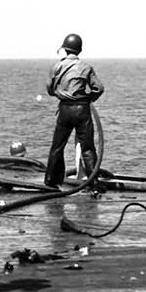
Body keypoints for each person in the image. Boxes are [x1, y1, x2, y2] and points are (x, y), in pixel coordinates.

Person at [44, 33, 105, 188]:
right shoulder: (86, 67)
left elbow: (50, 90)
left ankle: (51, 182)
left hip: (65, 109)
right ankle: (94, 182)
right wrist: (87, 98)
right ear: (79, 50)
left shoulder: (57, 66)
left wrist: (63, 93)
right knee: (88, 148)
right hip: (82, 110)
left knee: (57, 147)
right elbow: (99, 88)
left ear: (65, 49)